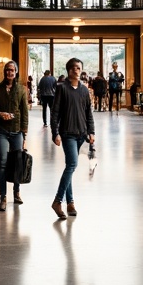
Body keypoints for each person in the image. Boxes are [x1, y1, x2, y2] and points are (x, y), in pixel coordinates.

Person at [50, 57, 95, 219]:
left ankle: (70, 203)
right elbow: (55, 113)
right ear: (68, 70)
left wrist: (91, 131)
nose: (76, 70)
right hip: (67, 133)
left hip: (81, 134)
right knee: (72, 165)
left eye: (79, 68)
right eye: (74, 68)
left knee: (70, 166)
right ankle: (57, 201)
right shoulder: (62, 88)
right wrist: (55, 132)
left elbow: (88, 112)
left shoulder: (84, 90)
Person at [0, 60, 29, 211]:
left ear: (16, 72)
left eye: (12, 70)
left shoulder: (21, 89)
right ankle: (3, 197)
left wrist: (24, 133)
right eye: (7, 70)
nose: (9, 73)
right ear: (4, 72)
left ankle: (16, 193)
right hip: (2, 131)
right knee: (3, 163)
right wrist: (0, 114)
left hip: (17, 130)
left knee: (18, 162)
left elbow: (24, 112)